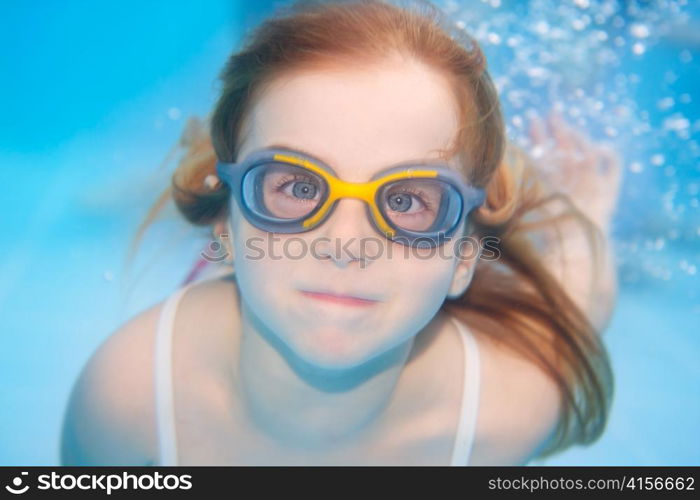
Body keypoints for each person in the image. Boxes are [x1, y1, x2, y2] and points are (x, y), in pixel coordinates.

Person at [60, 0, 618, 466]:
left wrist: (584, 220)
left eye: (406, 201)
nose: (343, 246)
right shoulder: (128, 402)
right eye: (298, 187)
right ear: (222, 224)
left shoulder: (509, 410)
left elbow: (579, 299)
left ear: (465, 259)